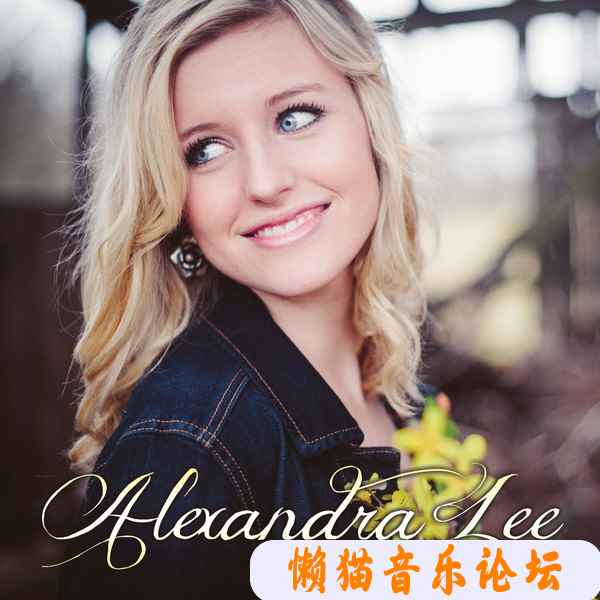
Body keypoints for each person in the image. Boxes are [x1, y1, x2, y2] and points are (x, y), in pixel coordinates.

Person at [57, 0, 428, 596]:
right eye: (204, 150)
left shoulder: (394, 383)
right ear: (171, 202)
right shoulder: (181, 449)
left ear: (371, 120)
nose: (265, 183)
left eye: (295, 117)